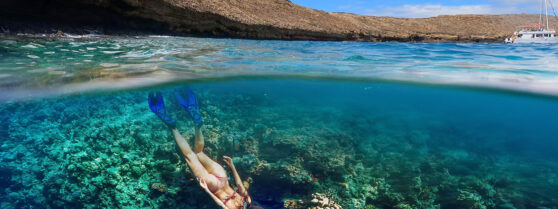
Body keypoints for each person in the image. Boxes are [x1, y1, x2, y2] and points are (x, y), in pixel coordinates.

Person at [148, 89, 261, 209]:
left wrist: (232, 166)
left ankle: (197, 120)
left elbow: (239, 184)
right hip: (213, 186)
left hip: (223, 177)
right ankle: (172, 126)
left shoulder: (247, 200)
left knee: (199, 152)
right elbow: (221, 204)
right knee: (190, 155)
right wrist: (207, 190)